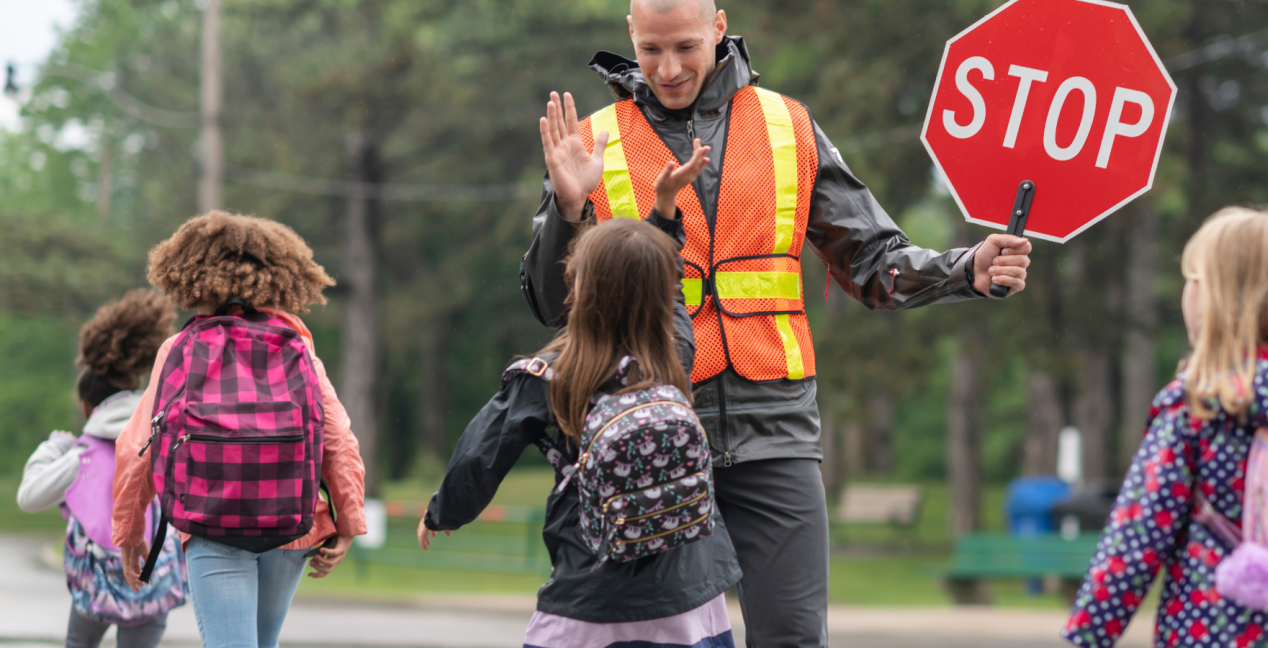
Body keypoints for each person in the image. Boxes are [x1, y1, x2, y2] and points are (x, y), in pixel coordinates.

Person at [520, 1, 1033, 644]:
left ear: (717, 26)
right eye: (651, 50)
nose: (669, 68)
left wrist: (966, 267)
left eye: (684, 46)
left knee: (792, 637)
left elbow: (873, 260)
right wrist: (568, 207)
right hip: (653, 441)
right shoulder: (593, 143)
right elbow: (550, 304)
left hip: (776, 435)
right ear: (630, 35)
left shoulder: (788, 127)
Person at [422, 186, 742, 646]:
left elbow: (482, 454)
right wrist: (666, 219)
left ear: (579, 287)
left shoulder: (549, 377)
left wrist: (442, 513)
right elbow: (669, 295)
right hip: (691, 593)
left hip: (590, 594)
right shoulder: (672, 359)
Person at [1062, 207, 1268, 648]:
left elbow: (1135, 541)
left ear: (1212, 297)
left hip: (1206, 634)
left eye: (1192, 281)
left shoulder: (1194, 410)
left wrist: (1086, 636)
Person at [111, 211, 368, 648]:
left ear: (190, 275)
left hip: (212, 522)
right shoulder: (297, 346)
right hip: (290, 525)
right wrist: (348, 519)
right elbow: (336, 436)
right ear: (276, 276)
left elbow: (140, 446)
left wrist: (130, 532)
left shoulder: (180, 348)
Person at [17, 289, 187, 648]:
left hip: (96, 588)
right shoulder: (165, 438)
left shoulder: (82, 455)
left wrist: (54, 446)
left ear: (86, 407)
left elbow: (29, 498)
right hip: (153, 579)